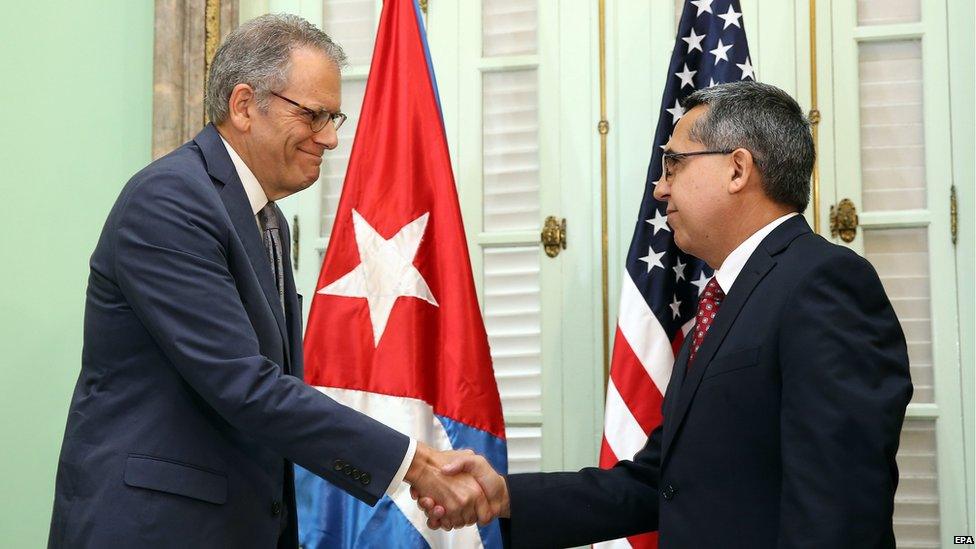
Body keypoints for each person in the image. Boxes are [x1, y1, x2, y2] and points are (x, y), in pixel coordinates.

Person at [48, 14, 489, 548]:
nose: (328, 138)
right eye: (313, 115)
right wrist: (412, 464)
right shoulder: (170, 201)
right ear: (243, 105)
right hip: (155, 528)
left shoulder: (265, 217)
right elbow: (244, 384)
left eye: (335, 118)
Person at [413, 81, 913, 548]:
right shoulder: (725, 298)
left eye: (674, 165)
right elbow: (660, 483)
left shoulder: (824, 283)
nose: (659, 189)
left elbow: (840, 506)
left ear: (738, 169)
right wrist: (503, 496)